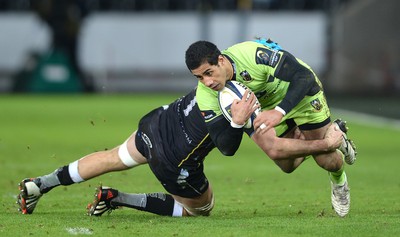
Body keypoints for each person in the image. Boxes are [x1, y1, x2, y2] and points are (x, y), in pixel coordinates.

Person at [17, 88, 345, 217]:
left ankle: (41, 184)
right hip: (174, 159)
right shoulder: (242, 101)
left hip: (156, 124)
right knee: (200, 209)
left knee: (112, 157)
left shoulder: (214, 80)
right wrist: (320, 143)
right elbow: (278, 155)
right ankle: (117, 198)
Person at [184, 38, 357, 217]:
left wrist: (280, 111)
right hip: (263, 108)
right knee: (285, 162)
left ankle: (339, 180)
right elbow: (226, 148)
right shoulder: (206, 95)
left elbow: (303, 76)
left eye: (209, 72)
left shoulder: (251, 54)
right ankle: (333, 138)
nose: (207, 82)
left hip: (298, 95)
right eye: (199, 77)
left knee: (328, 161)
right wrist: (237, 122)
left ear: (220, 60)